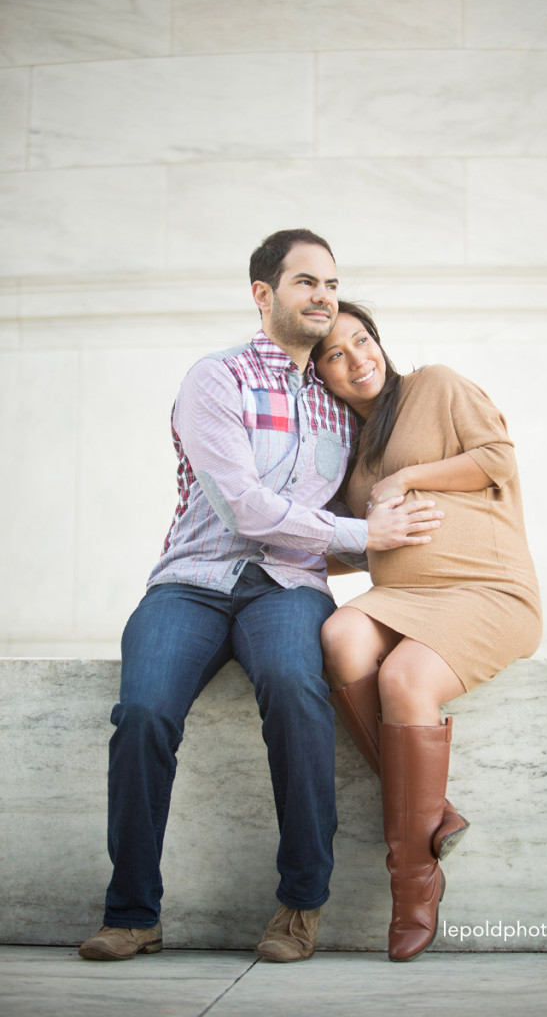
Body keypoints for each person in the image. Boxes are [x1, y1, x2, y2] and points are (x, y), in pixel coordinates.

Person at [78, 232, 443, 964]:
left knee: (295, 690)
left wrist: (392, 538)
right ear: (263, 294)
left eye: (331, 284)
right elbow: (244, 506)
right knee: (144, 712)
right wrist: (365, 530)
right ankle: (132, 913)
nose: (322, 296)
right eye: (305, 281)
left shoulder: (346, 405)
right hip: (194, 582)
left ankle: (299, 906)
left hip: (287, 588)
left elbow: (340, 535)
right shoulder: (216, 379)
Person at [312, 301, 542, 962]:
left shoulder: (434, 386)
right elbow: (351, 543)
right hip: (403, 596)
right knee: (339, 638)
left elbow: (495, 457)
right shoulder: (352, 454)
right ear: (321, 375)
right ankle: (430, 813)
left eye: (362, 341)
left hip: (486, 589)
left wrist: (407, 477)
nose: (358, 359)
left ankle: (412, 883)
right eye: (336, 354)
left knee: (404, 677)